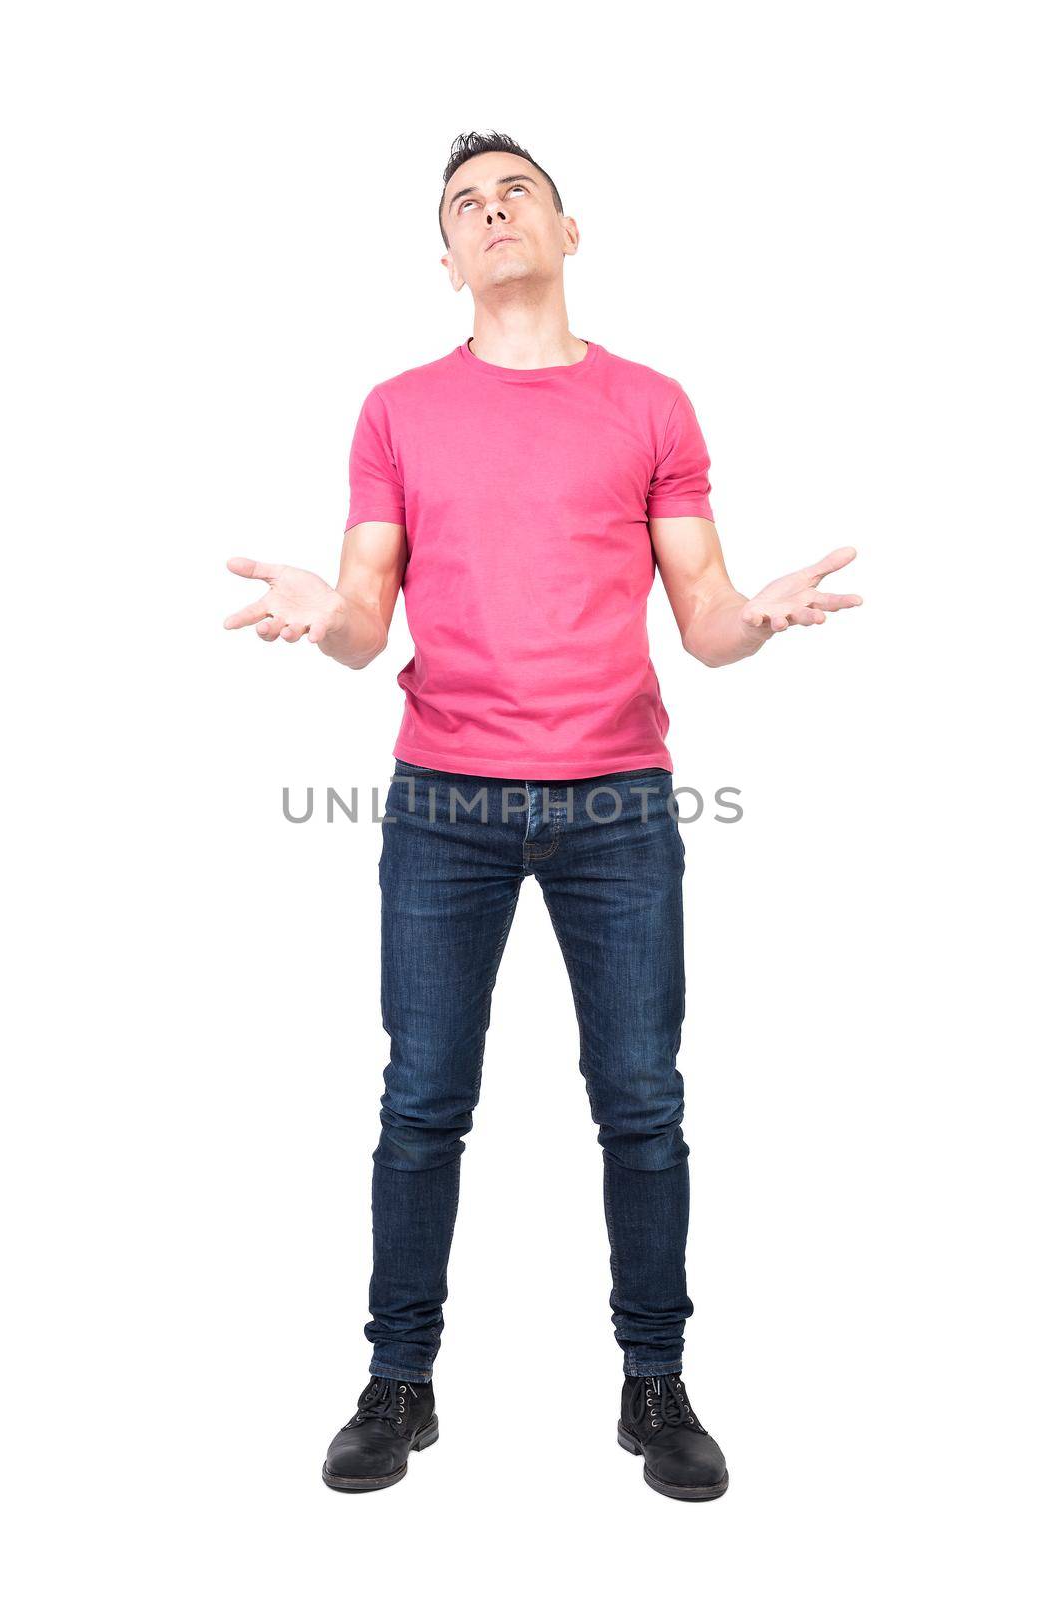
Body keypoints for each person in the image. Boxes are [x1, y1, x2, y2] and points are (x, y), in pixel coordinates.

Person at [223, 130, 862, 1500]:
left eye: (516, 192)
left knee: (641, 1104)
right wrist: (321, 615)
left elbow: (703, 619)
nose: (492, 210)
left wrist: (755, 618)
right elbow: (359, 619)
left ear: (571, 232)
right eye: (465, 203)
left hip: (617, 802)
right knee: (421, 1103)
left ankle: (656, 1384)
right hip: (444, 802)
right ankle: (399, 1386)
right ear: (445, 260)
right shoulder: (397, 409)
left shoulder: (652, 406)